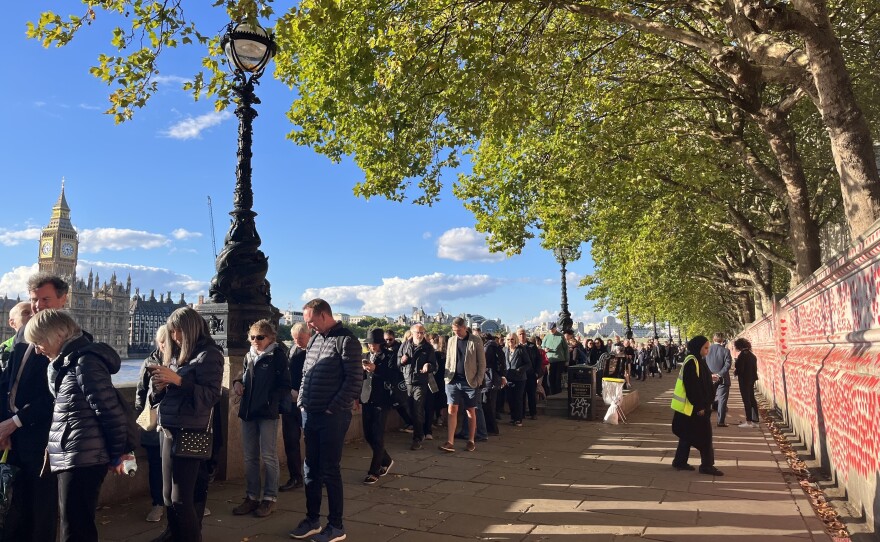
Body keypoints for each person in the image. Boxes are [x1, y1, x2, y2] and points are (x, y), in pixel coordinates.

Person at [25, 309, 132, 542]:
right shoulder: (68, 362)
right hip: (75, 455)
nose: (37, 349)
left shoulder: (85, 361)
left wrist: (118, 454)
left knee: (76, 529)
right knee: (73, 525)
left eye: (39, 341)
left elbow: (109, 410)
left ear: (57, 335)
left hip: (83, 458)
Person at [0, 272, 69, 542]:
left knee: (42, 510)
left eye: (45, 299)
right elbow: (8, 383)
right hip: (14, 438)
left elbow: (56, 396)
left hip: (43, 439)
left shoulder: (68, 338)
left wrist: (15, 421)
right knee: (15, 507)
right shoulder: (22, 334)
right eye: (34, 300)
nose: (38, 305)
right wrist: (4, 425)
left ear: (63, 300)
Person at [289, 299, 362, 542]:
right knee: (310, 468)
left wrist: (333, 408)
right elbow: (306, 373)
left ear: (323, 315)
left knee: (330, 470)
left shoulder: (347, 340)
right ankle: (312, 519)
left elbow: (354, 380)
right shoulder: (315, 340)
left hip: (332, 416)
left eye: (311, 321)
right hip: (310, 412)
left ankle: (336, 525)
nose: (308, 326)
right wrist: (302, 400)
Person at [150, 307, 223, 542]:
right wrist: (159, 387)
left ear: (189, 329)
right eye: (171, 332)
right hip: (168, 428)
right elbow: (157, 398)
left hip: (191, 431)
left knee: (181, 499)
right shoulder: (178, 354)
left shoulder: (210, 355)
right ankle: (174, 535)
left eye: (177, 331)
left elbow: (211, 395)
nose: (173, 337)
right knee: (167, 496)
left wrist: (179, 381)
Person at [231, 319, 292, 518]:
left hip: (266, 412)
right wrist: (237, 383)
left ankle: (269, 498)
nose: (255, 341)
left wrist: (268, 399)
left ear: (270, 338)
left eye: (260, 337)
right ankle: (251, 497)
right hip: (248, 411)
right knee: (250, 457)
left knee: (268, 456)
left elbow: (285, 385)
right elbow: (242, 376)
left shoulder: (277, 356)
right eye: (252, 337)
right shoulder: (249, 355)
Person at [671, 336, 723, 476]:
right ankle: (706, 465)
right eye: (705, 348)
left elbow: (699, 378)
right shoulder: (691, 361)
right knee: (705, 437)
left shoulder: (697, 360)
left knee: (687, 435)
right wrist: (699, 407)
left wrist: (710, 378)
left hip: (691, 408)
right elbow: (692, 386)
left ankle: (680, 461)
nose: (707, 350)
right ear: (698, 347)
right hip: (694, 408)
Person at [136, 327, 169, 523]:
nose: (165, 345)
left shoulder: (182, 361)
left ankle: (183, 502)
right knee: (156, 465)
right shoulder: (149, 362)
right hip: (154, 421)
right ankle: (157, 503)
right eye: (162, 342)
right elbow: (140, 392)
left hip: (174, 422)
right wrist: (141, 415)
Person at [439, 317, 485, 453]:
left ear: (465, 328)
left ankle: (471, 440)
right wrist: (447, 378)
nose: (456, 333)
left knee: (470, 410)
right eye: (454, 331)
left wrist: (478, 380)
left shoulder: (476, 340)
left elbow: (482, 363)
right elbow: (449, 359)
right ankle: (450, 441)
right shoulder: (451, 340)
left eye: (458, 330)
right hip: (452, 380)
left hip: (469, 381)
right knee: (451, 409)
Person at [360, 328, 395, 485]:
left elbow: (393, 375)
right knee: (368, 435)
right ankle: (386, 460)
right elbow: (361, 378)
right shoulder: (365, 356)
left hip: (382, 400)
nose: (372, 346)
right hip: (366, 398)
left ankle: (374, 471)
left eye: (374, 343)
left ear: (381, 343)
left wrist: (376, 369)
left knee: (377, 435)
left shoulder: (389, 356)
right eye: (370, 344)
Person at [280, 322, 309, 491]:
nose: (297, 341)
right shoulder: (291, 350)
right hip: (290, 402)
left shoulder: (314, 352)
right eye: (295, 338)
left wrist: (301, 393)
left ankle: (317, 476)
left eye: (301, 338)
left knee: (312, 441)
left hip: (307, 403)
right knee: (290, 440)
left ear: (309, 335)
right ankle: (295, 477)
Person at [397, 323, 435, 450]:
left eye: (422, 332)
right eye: (418, 332)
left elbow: (434, 365)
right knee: (409, 408)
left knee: (417, 408)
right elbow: (397, 362)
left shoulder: (428, 347)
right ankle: (420, 431)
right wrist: (401, 360)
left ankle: (417, 438)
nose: (420, 335)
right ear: (412, 333)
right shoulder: (405, 345)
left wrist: (428, 366)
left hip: (420, 382)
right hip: (407, 381)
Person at [384, 329, 414, 431]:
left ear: (394, 338)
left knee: (400, 402)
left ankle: (410, 422)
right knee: (397, 403)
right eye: (386, 340)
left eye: (390, 339)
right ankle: (409, 422)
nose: (388, 342)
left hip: (399, 378)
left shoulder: (400, 348)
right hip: (389, 378)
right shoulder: (383, 348)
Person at [705, 332, 732, 427]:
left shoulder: (707, 350)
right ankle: (721, 421)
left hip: (709, 379)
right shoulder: (726, 351)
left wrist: (710, 375)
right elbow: (728, 365)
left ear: (713, 339)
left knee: (708, 399)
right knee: (722, 400)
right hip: (723, 379)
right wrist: (719, 374)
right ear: (722, 340)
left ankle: (706, 420)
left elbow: (703, 364)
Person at [733, 338, 760, 428]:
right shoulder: (752, 355)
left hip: (744, 380)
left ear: (739, 346)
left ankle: (749, 421)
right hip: (752, 379)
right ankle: (755, 419)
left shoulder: (742, 355)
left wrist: (736, 370)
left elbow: (740, 369)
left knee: (746, 400)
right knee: (752, 398)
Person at [503, 332, 528, 427]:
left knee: (518, 399)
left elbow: (528, 363)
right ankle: (513, 418)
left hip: (519, 378)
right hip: (508, 378)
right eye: (508, 339)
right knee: (510, 399)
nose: (510, 341)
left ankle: (518, 419)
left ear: (515, 340)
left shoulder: (521, 349)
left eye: (512, 339)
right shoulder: (505, 350)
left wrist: (519, 370)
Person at [0, 301, 32, 372]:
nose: (32, 315)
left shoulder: (46, 345)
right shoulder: (4, 347)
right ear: (12, 323)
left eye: (35, 312)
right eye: (26, 313)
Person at [542, 322, 569, 395]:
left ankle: (558, 393)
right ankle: (552, 393)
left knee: (558, 378)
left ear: (555, 328)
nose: (551, 330)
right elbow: (542, 347)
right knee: (551, 378)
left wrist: (567, 360)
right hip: (550, 361)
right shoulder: (547, 336)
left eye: (552, 329)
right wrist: (545, 349)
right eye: (550, 329)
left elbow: (566, 348)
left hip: (560, 360)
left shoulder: (561, 336)